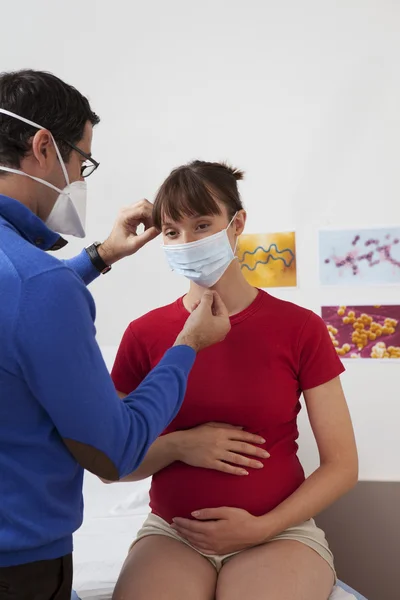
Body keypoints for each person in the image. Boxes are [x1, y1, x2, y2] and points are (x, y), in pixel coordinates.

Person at [0, 72, 231, 600]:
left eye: (204, 225)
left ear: (236, 225)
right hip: (18, 565)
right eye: (82, 163)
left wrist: (98, 257)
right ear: (42, 147)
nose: (81, 178)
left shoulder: (34, 284)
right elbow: (116, 453)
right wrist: (186, 348)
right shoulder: (50, 290)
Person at [110, 160, 359, 600]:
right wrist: (179, 445)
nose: (187, 242)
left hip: (278, 533)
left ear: (237, 223)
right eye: (172, 231)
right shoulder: (143, 334)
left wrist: (262, 527)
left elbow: (342, 465)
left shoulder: (299, 328)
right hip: (173, 534)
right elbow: (112, 464)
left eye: (202, 224)